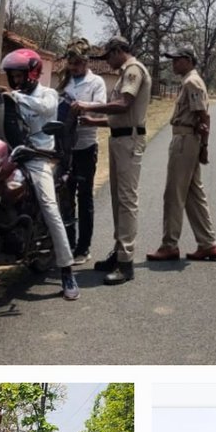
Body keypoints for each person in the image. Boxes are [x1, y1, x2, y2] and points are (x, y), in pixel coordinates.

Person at [0, 48, 80, 302]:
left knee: (49, 205)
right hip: (12, 154)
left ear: (32, 73)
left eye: (19, 75)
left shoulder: (48, 94)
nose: (15, 80)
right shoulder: (12, 96)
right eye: (12, 76)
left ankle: (66, 269)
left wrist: (13, 97)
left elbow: (45, 109)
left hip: (39, 157)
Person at [71, 36, 152, 285]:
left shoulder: (133, 70)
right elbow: (118, 117)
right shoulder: (124, 73)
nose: (107, 61)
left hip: (129, 141)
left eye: (108, 56)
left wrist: (87, 105)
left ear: (118, 51)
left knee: (127, 201)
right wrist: (93, 120)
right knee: (119, 200)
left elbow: (124, 105)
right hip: (119, 138)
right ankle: (118, 253)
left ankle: (126, 262)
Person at [147, 47, 216, 263]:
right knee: (192, 194)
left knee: (174, 194)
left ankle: (169, 245)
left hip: (186, 140)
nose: (173, 64)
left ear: (188, 60)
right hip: (187, 139)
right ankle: (207, 244)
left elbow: (203, 117)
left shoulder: (192, 82)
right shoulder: (189, 81)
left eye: (177, 60)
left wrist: (204, 147)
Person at [56, 41, 107, 264]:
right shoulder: (63, 80)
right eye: (71, 63)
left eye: (78, 63)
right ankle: (67, 243)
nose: (74, 67)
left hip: (85, 146)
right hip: (64, 148)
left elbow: (101, 106)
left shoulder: (96, 82)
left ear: (86, 62)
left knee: (84, 196)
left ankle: (83, 248)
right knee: (64, 196)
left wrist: (83, 107)